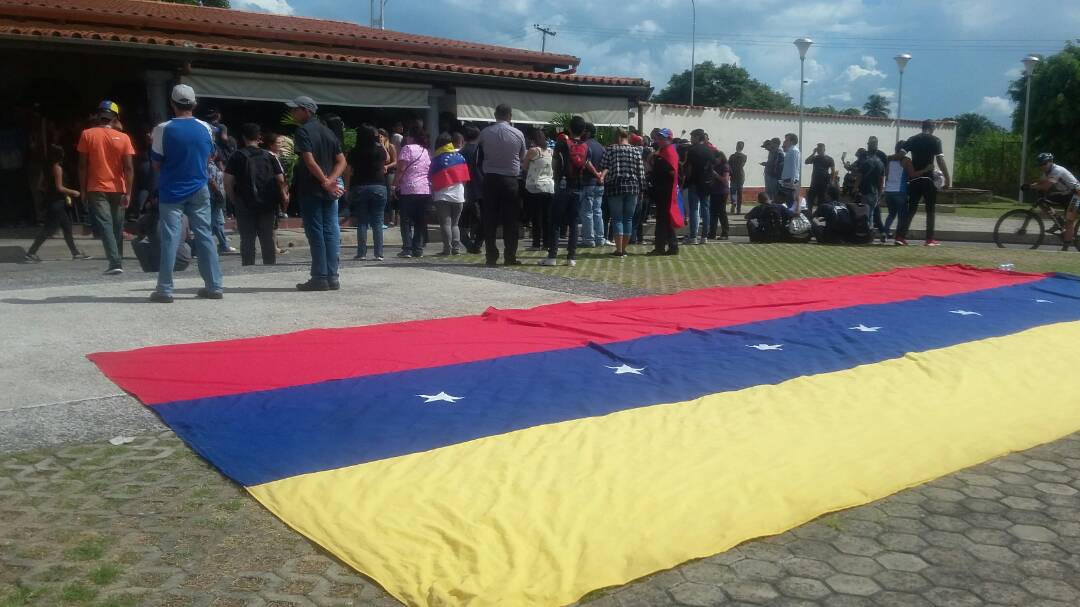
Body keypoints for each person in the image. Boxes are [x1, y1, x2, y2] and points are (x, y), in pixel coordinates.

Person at [148, 84, 223, 303]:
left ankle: (164, 290)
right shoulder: (206, 128)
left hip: (172, 189)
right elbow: (211, 155)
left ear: (172, 104)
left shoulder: (163, 129)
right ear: (194, 104)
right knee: (205, 235)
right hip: (199, 188)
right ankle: (214, 286)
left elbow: (156, 163)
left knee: (171, 238)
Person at [288, 95, 346, 290]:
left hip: (311, 188)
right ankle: (333, 275)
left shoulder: (303, 131)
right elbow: (341, 161)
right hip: (328, 189)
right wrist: (331, 181)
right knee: (330, 231)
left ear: (306, 110)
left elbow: (309, 160)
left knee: (316, 232)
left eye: (295, 109)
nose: (293, 113)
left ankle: (320, 276)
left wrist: (324, 181)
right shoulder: (328, 132)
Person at [77, 100, 135, 275]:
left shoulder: (87, 134)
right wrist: (129, 192)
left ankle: (115, 261)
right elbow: (129, 168)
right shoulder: (124, 138)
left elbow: (82, 165)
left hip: (96, 186)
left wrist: (83, 189)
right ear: (115, 118)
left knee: (106, 224)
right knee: (117, 224)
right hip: (118, 187)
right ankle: (118, 260)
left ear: (98, 115)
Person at [225, 123, 285, 266]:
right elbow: (281, 180)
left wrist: (234, 199)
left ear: (243, 137)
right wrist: (282, 198)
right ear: (259, 137)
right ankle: (269, 265)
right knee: (267, 237)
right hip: (267, 202)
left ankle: (248, 266)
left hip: (244, 202)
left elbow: (227, 182)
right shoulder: (270, 156)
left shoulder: (236, 156)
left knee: (247, 238)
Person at [476, 103, 526, 266]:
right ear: (510, 116)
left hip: (490, 178)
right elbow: (522, 156)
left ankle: (491, 255)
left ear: (495, 115)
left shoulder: (484, 133)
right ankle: (510, 255)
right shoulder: (518, 134)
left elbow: (479, 155)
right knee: (511, 220)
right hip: (511, 180)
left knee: (489, 217)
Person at [24, 144, 90, 262]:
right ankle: (31, 252)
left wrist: (48, 193)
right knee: (48, 229)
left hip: (53, 201)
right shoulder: (57, 168)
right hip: (57, 202)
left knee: (67, 227)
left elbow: (40, 186)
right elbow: (60, 187)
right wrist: (73, 192)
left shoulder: (46, 168)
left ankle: (75, 253)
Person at [897, 120, 951, 246]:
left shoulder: (912, 139)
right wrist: (947, 178)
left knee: (911, 209)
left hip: (915, 180)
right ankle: (929, 239)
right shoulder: (935, 140)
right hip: (928, 179)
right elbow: (940, 160)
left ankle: (900, 237)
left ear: (922, 127)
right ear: (932, 128)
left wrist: (905, 162)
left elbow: (900, 155)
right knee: (930, 209)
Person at [545, 116, 589, 266]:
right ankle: (571, 257)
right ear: (583, 130)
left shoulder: (562, 144)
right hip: (579, 186)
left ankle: (552, 256)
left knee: (556, 221)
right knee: (574, 222)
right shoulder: (585, 146)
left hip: (563, 185)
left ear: (569, 128)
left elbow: (555, 163)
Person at [599, 127, 645, 256]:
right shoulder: (636, 151)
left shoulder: (611, 149)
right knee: (628, 218)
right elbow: (640, 172)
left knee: (617, 218)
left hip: (615, 187)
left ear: (617, 137)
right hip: (633, 187)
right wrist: (642, 189)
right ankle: (624, 249)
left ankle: (618, 250)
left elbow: (603, 166)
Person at [346, 124, 387, 261]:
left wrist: (347, 188)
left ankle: (362, 253)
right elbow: (386, 159)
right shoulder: (379, 149)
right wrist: (381, 144)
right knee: (378, 221)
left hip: (360, 186)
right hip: (378, 186)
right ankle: (379, 253)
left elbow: (348, 171)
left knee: (362, 221)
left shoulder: (354, 151)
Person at [429, 131, 471, 256]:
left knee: (445, 223)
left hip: (442, 196)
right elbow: (465, 179)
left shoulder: (437, 159)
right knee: (455, 224)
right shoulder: (460, 157)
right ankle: (456, 249)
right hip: (458, 195)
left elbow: (431, 178)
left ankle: (447, 249)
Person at [394, 124, 432, 258]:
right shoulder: (425, 151)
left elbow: (401, 169)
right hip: (424, 189)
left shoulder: (407, 148)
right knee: (420, 220)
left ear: (411, 137)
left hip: (408, 188)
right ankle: (418, 248)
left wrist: (395, 184)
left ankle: (407, 248)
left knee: (405, 220)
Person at [1029, 153, 1080, 250]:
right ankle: (1059, 220)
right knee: (1042, 201)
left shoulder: (1057, 171)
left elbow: (1045, 186)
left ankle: (1066, 247)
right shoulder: (1047, 172)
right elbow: (1041, 182)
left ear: (1051, 162)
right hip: (1066, 194)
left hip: (1077, 194)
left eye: (1044, 163)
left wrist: (1031, 186)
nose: (1042, 166)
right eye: (1040, 164)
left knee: (1069, 220)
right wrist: (1030, 185)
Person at [646, 128, 684, 256]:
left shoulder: (669, 152)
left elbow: (672, 172)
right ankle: (672, 246)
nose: (660, 140)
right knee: (665, 219)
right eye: (659, 137)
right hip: (661, 190)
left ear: (669, 139)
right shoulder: (662, 151)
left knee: (663, 219)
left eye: (663, 138)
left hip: (666, 191)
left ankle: (661, 247)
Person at [131, 199, 191, 273]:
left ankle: (148, 268)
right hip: (182, 262)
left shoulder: (147, 218)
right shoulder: (184, 217)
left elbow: (140, 236)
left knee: (135, 242)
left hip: (159, 264)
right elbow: (188, 238)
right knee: (185, 245)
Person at [523, 128, 554, 252]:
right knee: (547, 217)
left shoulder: (533, 151)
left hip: (535, 186)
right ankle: (547, 242)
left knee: (536, 217)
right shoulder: (551, 151)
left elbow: (524, 167)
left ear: (533, 139)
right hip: (549, 186)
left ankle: (536, 243)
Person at [578, 123, 609, 248]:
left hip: (588, 182)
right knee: (598, 211)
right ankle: (599, 238)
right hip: (600, 184)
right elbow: (607, 164)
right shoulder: (601, 147)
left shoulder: (584, 146)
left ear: (588, 132)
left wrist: (596, 174)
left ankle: (588, 239)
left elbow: (586, 162)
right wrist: (601, 176)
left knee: (587, 212)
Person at [683, 129, 714, 245]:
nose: (691, 139)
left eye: (692, 137)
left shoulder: (692, 150)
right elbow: (712, 165)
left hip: (694, 182)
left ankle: (693, 236)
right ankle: (704, 236)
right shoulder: (709, 150)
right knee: (705, 209)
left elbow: (689, 167)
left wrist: (686, 178)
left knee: (694, 209)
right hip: (706, 182)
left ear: (697, 137)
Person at [458, 125, 483, 254]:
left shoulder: (460, 153)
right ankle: (478, 244)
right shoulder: (481, 151)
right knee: (481, 219)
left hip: (464, 189)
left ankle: (467, 243)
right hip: (481, 189)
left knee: (461, 221)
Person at [206, 148, 235, 254]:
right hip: (214, 197)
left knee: (218, 221)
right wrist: (218, 194)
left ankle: (223, 244)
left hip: (215, 197)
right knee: (216, 221)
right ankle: (222, 245)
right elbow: (212, 181)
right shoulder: (210, 166)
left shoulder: (211, 165)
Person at [882, 142, 912, 242]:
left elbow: (886, 174)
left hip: (888, 191)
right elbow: (911, 174)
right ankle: (898, 238)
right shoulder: (906, 160)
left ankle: (884, 232)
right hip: (900, 191)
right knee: (902, 216)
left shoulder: (889, 161)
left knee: (891, 214)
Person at [853, 148, 884, 233]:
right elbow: (881, 180)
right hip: (875, 192)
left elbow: (859, 176)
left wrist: (855, 188)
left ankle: (868, 232)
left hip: (865, 191)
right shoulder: (880, 163)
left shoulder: (865, 163)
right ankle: (876, 231)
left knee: (867, 214)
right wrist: (880, 192)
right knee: (872, 213)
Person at [804, 142, 834, 212]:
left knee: (822, 199)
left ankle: (821, 213)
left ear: (824, 149)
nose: (819, 151)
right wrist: (813, 153)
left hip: (824, 182)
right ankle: (809, 213)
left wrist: (831, 182)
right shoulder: (815, 158)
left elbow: (833, 171)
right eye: (818, 149)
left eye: (820, 149)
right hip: (814, 181)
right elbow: (806, 162)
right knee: (810, 198)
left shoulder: (829, 159)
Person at [709, 150, 730, 240]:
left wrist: (715, 175)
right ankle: (712, 233)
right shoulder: (714, 166)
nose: (714, 160)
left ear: (720, 158)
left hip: (722, 192)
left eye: (716, 158)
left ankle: (725, 233)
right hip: (713, 191)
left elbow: (725, 180)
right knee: (713, 213)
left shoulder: (725, 166)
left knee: (722, 212)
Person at [778, 133, 801, 207]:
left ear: (792, 141)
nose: (785, 141)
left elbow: (794, 166)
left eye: (786, 140)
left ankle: (791, 217)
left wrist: (792, 181)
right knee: (785, 202)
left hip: (790, 180)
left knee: (790, 202)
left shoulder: (794, 151)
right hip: (786, 179)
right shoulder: (789, 151)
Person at [729, 141, 747, 214]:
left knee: (733, 192)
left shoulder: (732, 156)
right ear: (742, 148)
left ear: (736, 147)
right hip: (741, 175)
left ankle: (734, 201)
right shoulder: (744, 156)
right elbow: (742, 165)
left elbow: (728, 165)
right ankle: (738, 209)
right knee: (740, 193)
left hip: (733, 175)